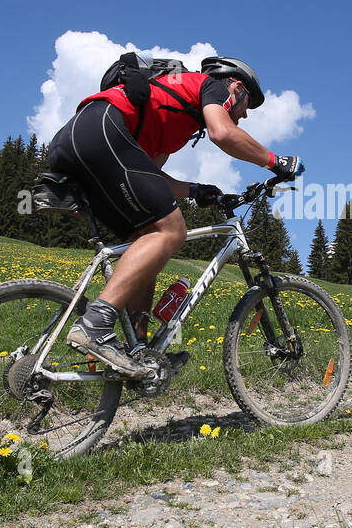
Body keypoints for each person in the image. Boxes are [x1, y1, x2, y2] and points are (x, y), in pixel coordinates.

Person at [46, 54, 302, 378]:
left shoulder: (168, 111)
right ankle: (96, 323)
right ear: (236, 87)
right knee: (171, 231)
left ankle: (137, 351)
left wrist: (195, 190)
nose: (246, 114)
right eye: (248, 102)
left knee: (146, 238)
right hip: (101, 131)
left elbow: (148, 173)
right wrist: (275, 161)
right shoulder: (211, 87)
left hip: (76, 140)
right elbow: (222, 133)